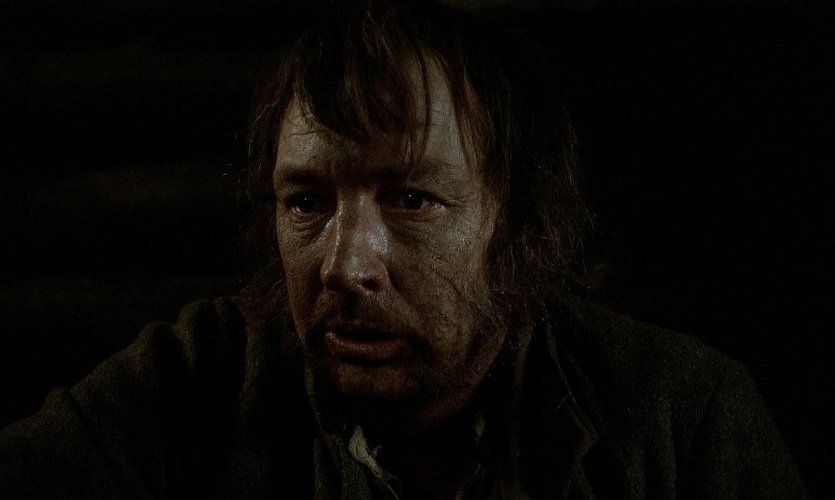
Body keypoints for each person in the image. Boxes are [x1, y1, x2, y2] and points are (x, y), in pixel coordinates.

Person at [0, 1, 808, 498]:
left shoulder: (681, 415)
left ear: (513, 223)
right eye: (306, 201)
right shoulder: (191, 382)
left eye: (411, 200)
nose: (344, 265)